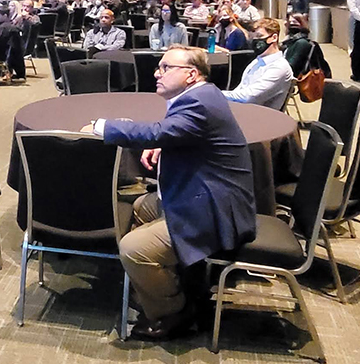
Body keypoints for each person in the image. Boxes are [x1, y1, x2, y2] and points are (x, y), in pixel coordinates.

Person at [80, 45, 256, 340]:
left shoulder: (199, 102)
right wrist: (163, 144)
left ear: (191, 74)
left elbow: (157, 131)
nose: (156, 73)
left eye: (165, 68)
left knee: (133, 249)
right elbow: (178, 133)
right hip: (201, 194)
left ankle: (175, 312)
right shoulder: (200, 95)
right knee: (139, 207)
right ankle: (165, 281)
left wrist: (102, 126)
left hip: (214, 210)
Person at [222, 18, 294, 110]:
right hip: (240, 110)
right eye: (254, 37)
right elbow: (240, 90)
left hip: (257, 116)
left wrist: (217, 94)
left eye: (260, 36)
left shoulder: (280, 67)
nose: (256, 40)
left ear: (274, 38)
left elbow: (249, 97)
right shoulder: (256, 61)